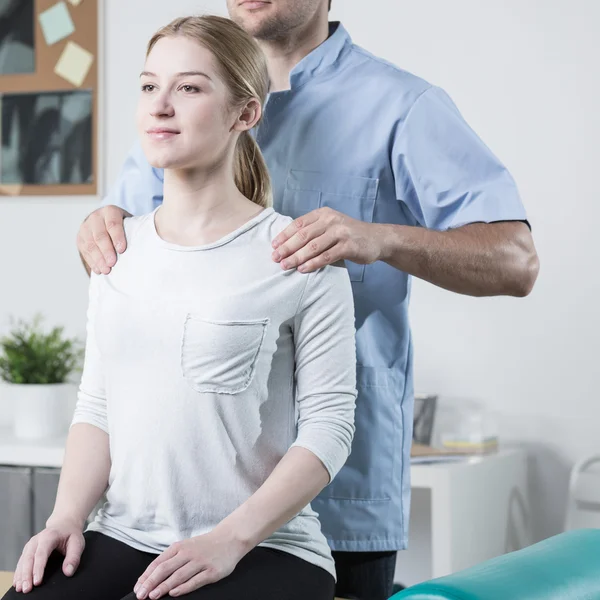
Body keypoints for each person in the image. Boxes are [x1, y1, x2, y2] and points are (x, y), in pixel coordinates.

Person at [77, 1, 540, 598]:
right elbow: (126, 260)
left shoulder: (401, 107)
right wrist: (99, 227)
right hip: (169, 502)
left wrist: (382, 238)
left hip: (337, 491)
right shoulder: (181, 105)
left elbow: (517, 260)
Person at [5, 15, 357, 600]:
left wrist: (229, 540)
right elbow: (97, 409)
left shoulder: (299, 256)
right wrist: (64, 519)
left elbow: (330, 430)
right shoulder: (115, 250)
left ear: (245, 114)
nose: (160, 105)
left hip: (267, 547)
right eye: (148, 86)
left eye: (189, 88)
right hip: (123, 535)